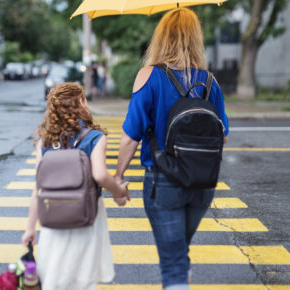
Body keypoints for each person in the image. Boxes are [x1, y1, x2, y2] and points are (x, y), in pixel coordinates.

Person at [114, 8, 229, 290]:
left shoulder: (149, 76)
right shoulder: (210, 81)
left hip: (164, 181)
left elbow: (131, 136)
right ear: (195, 38)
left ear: (161, 38)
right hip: (202, 184)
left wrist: (118, 177)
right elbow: (222, 135)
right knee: (179, 253)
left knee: (173, 265)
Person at [22, 82, 130, 290]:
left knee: (53, 272)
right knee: (82, 275)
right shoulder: (94, 137)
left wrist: (30, 228)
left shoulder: (45, 141)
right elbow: (99, 175)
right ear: (81, 102)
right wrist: (119, 191)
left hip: (52, 213)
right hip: (86, 213)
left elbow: (38, 186)